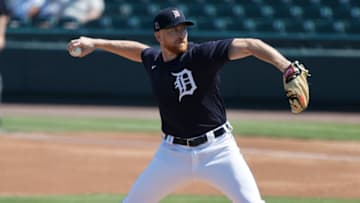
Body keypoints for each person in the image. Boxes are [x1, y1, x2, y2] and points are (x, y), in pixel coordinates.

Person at [67, 7, 295, 203]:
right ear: (158, 36)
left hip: (218, 150)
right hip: (171, 155)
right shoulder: (155, 62)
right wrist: (95, 43)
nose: (181, 34)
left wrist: (286, 67)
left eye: (183, 28)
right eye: (173, 30)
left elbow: (250, 44)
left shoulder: (201, 55)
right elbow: (137, 50)